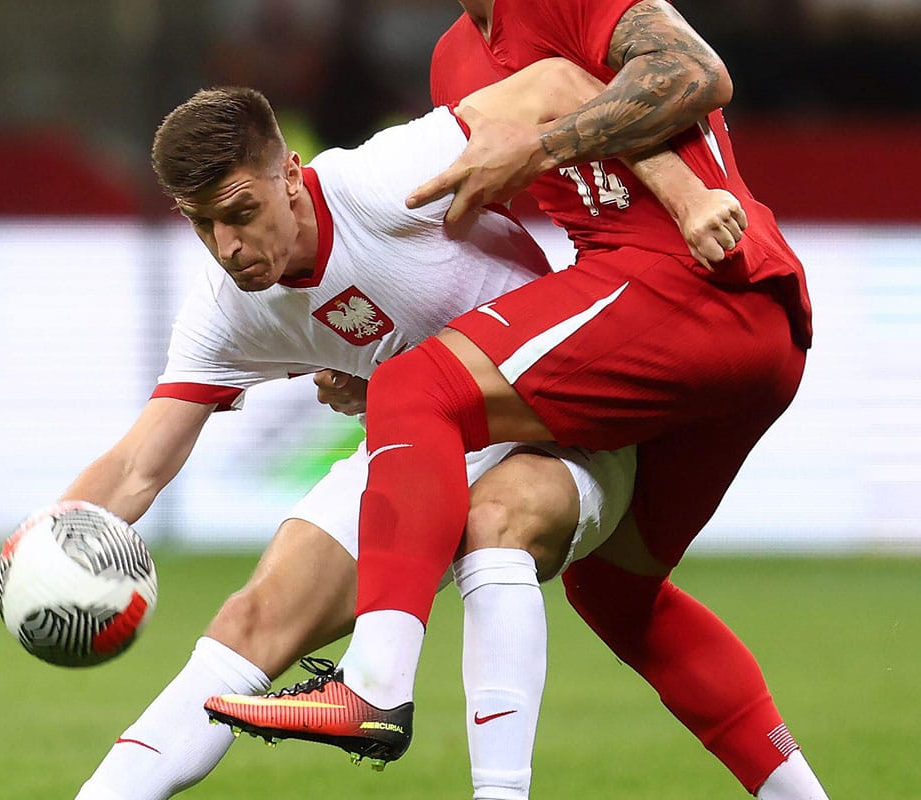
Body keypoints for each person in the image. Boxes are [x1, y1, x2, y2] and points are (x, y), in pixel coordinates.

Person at [0, 62, 741, 800]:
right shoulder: (227, 308)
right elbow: (140, 463)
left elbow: (557, 83)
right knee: (250, 620)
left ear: (290, 173)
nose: (228, 247)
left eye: (241, 212)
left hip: (565, 421)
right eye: (202, 225)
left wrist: (686, 195)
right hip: (418, 444)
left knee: (499, 515)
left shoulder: (387, 180)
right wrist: (23, 560)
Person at [205, 3, 830, 800]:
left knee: (418, 388)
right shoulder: (454, 60)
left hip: (693, 280)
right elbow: (467, 248)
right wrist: (385, 354)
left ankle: (374, 682)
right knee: (614, 592)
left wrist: (547, 148)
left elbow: (696, 75)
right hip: (719, 330)